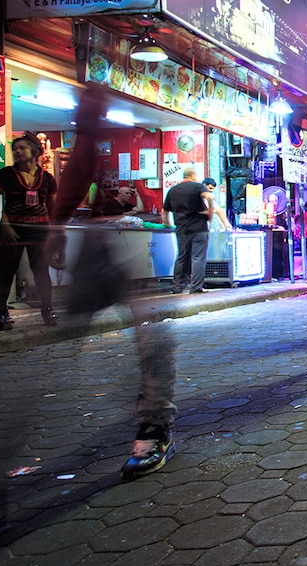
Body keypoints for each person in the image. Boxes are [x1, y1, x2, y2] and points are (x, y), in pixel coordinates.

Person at [45, 86, 179, 479]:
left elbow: (84, 147)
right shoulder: (95, 85)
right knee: (144, 335)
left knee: (148, 335)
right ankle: (153, 424)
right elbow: (83, 148)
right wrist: (60, 221)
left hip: (110, 242)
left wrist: (59, 221)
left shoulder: (104, 75)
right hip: (100, 240)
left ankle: (155, 426)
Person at [0, 132, 58, 330]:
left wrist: (53, 230)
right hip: (13, 228)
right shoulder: (4, 175)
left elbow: (52, 207)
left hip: (39, 229)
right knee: (7, 270)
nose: (17, 152)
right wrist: (5, 226)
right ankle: (2, 312)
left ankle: (47, 309)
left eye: (22, 148)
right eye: (15, 149)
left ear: (34, 151)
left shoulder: (47, 178)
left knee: (41, 271)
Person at [162, 168, 214, 294]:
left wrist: (168, 225)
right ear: (193, 175)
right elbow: (209, 196)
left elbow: (164, 213)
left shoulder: (172, 191)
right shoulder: (197, 186)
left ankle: (178, 287)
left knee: (182, 257)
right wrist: (210, 212)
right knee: (197, 258)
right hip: (199, 228)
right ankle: (196, 287)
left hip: (181, 229)